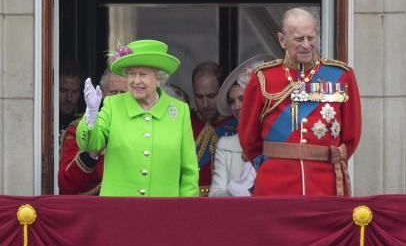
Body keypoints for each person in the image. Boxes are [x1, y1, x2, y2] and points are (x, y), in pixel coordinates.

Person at [239, 8, 361, 197]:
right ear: (282, 40)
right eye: (299, 39)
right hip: (275, 185)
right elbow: (249, 138)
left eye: (311, 38)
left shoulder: (341, 76)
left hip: (324, 185)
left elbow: (351, 136)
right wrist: (269, 165)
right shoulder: (263, 78)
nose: (306, 45)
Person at [76, 39, 199, 197]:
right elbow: (91, 143)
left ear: (159, 77)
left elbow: (189, 171)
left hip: (164, 213)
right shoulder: (113, 105)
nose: (136, 81)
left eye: (143, 74)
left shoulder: (179, 111)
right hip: (119, 211)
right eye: (131, 74)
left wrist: (184, 212)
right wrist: (91, 114)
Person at [209, 54, 274, 197]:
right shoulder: (226, 144)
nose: (236, 106)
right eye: (232, 102)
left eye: (242, 99)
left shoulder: (278, 141)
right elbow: (215, 194)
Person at [58, 68, 127, 195]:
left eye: (123, 93)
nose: (118, 98)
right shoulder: (79, 129)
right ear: (103, 94)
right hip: (94, 209)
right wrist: (92, 151)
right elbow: (67, 185)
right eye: (113, 92)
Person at [191, 62, 237, 196]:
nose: (205, 104)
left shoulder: (238, 125)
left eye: (211, 96)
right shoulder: (185, 122)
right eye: (199, 97)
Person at [59, 61, 83, 135]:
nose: (69, 98)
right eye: (63, 91)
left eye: (74, 92)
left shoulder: (85, 124)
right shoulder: (44, 123)